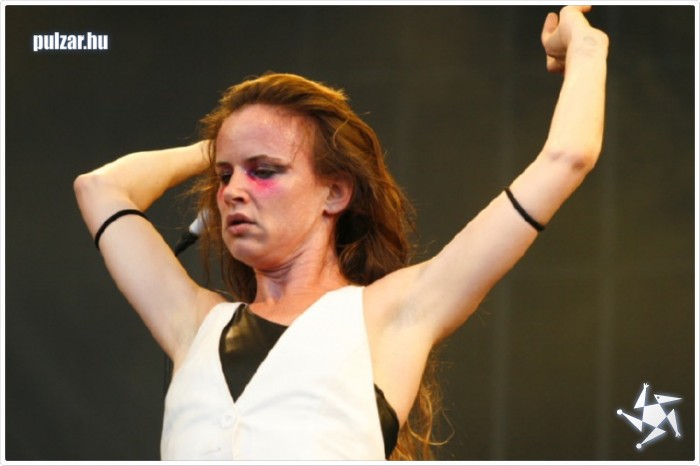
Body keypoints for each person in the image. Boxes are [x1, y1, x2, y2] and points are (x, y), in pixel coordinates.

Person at [74, 5, 608, 461]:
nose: (233, 190)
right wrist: (223, 145)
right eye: (224, 175)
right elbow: (100, 188)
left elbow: (568, 156)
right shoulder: (193, 323)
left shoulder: (392, 314)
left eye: (264, 171)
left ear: (334, 193)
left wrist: (585, 48)